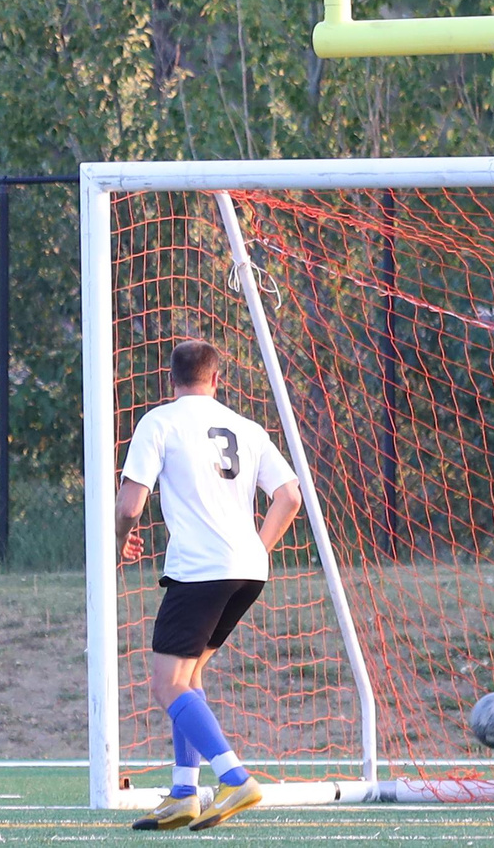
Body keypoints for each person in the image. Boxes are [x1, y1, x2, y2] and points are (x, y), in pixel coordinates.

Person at [115, 337, 304, 832]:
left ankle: (234, 776)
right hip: (247, 569)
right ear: (217, 379)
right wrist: (257, 548)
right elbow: (289, 496)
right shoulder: (246, 427)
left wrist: (120, 542)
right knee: (190, 677)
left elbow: (129, 506)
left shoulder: (160, 420)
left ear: (168, 379)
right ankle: (183, 791)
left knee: (166, 683)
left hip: (199, 570)